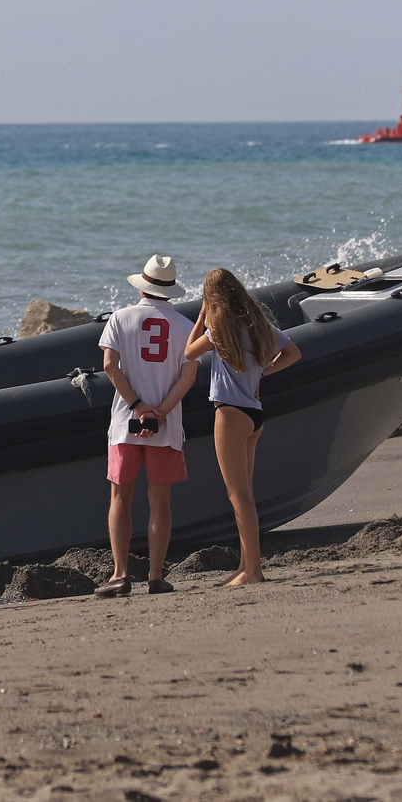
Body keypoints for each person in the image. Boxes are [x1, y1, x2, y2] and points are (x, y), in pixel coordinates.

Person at [184, 268, 302, 586]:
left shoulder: (219, 330)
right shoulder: (258, 325)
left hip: (230, 414)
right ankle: (245, 565)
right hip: (254, 413)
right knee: (245, 495)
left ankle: (253, 572)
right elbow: (293, 352)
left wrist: (201, 317)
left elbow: (188, 352)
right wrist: (264, 371)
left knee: (239, 497)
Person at [96, 254, 199, 597]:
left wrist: (138, 407)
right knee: (160, 500)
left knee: (120, 497)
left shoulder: (121, 318)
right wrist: (160, 412)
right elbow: (189, 375)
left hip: (126, 422)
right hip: (165, 427)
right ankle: (155, 575)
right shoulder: (185, 327)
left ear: (142, 285)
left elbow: (110, 366)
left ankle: (120, 574)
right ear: (171, 290)